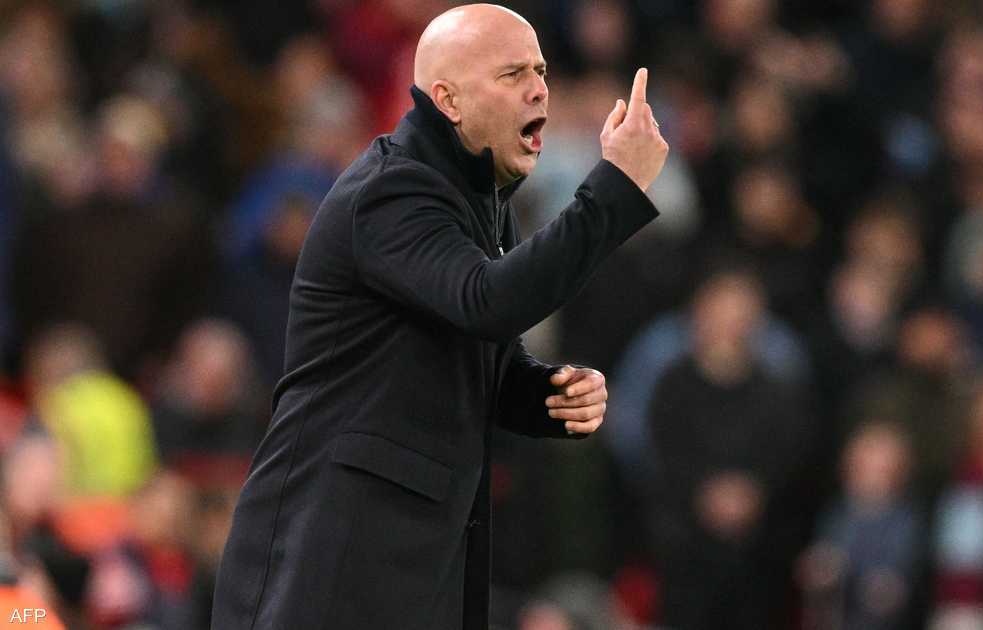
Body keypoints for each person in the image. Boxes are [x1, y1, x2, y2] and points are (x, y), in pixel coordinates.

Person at [211, 4, 667, 630]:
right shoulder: (392, 190)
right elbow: (488, 300)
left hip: (413, 562)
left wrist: (544, 395)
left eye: (540, 71)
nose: (540, 88)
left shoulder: (481, 201)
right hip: (328, 554)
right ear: (448, 100)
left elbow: (474, 353)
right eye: (512, 74)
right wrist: (614, 188)